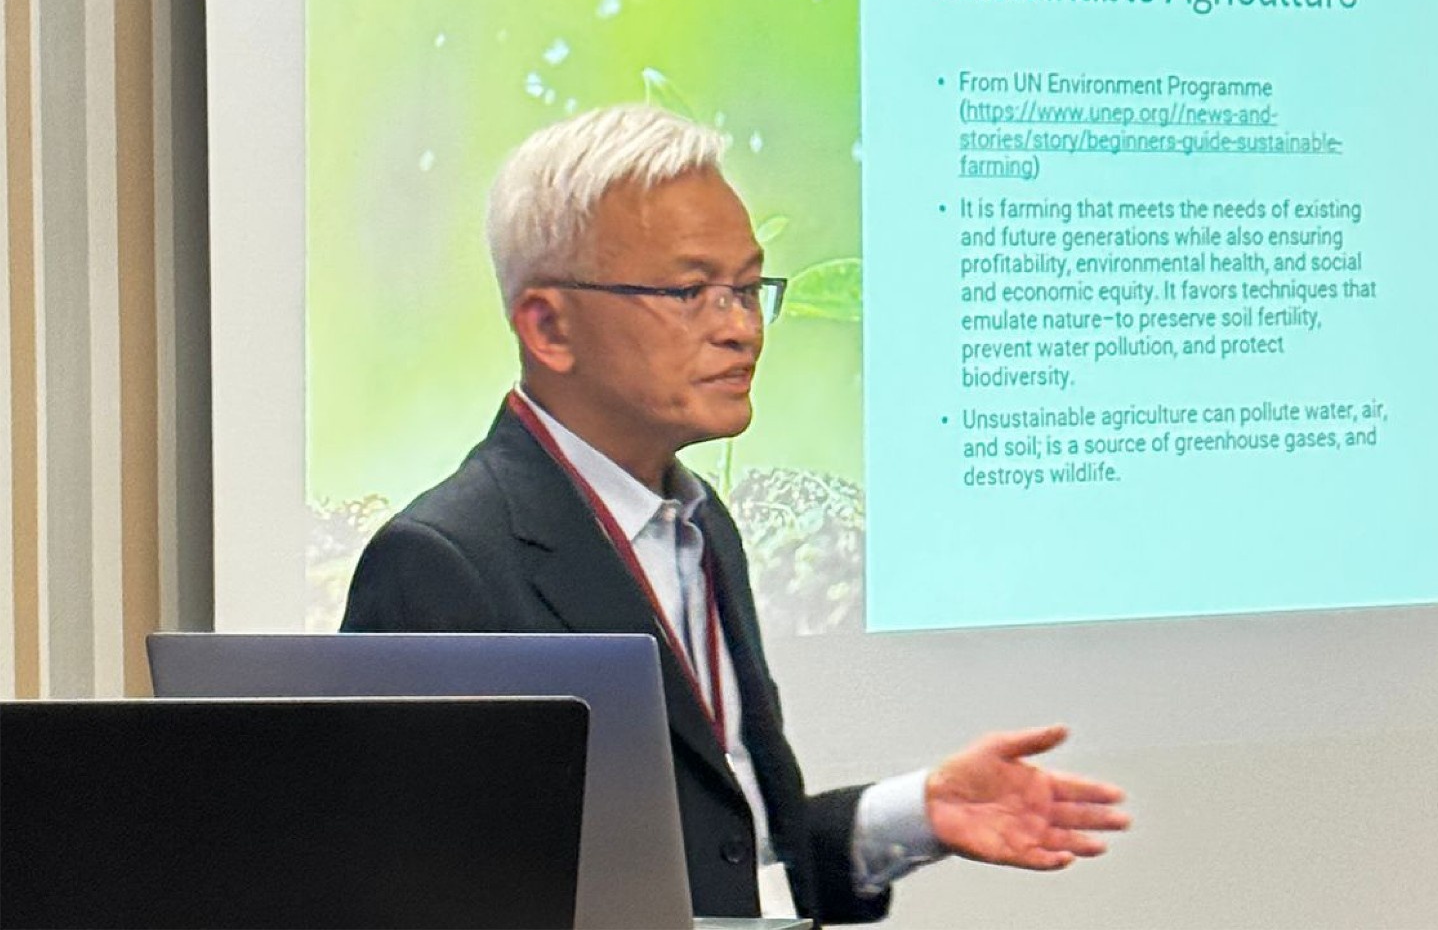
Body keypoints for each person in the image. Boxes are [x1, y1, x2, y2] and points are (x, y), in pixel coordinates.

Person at [341, 104, 1129, 923]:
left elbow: (728, 859)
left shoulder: (699, 522)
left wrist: (912, 815)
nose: (741, 329)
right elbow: (404, 894)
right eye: (691, 292)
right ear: (548, 326)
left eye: (748, 289)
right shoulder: (443, 564)